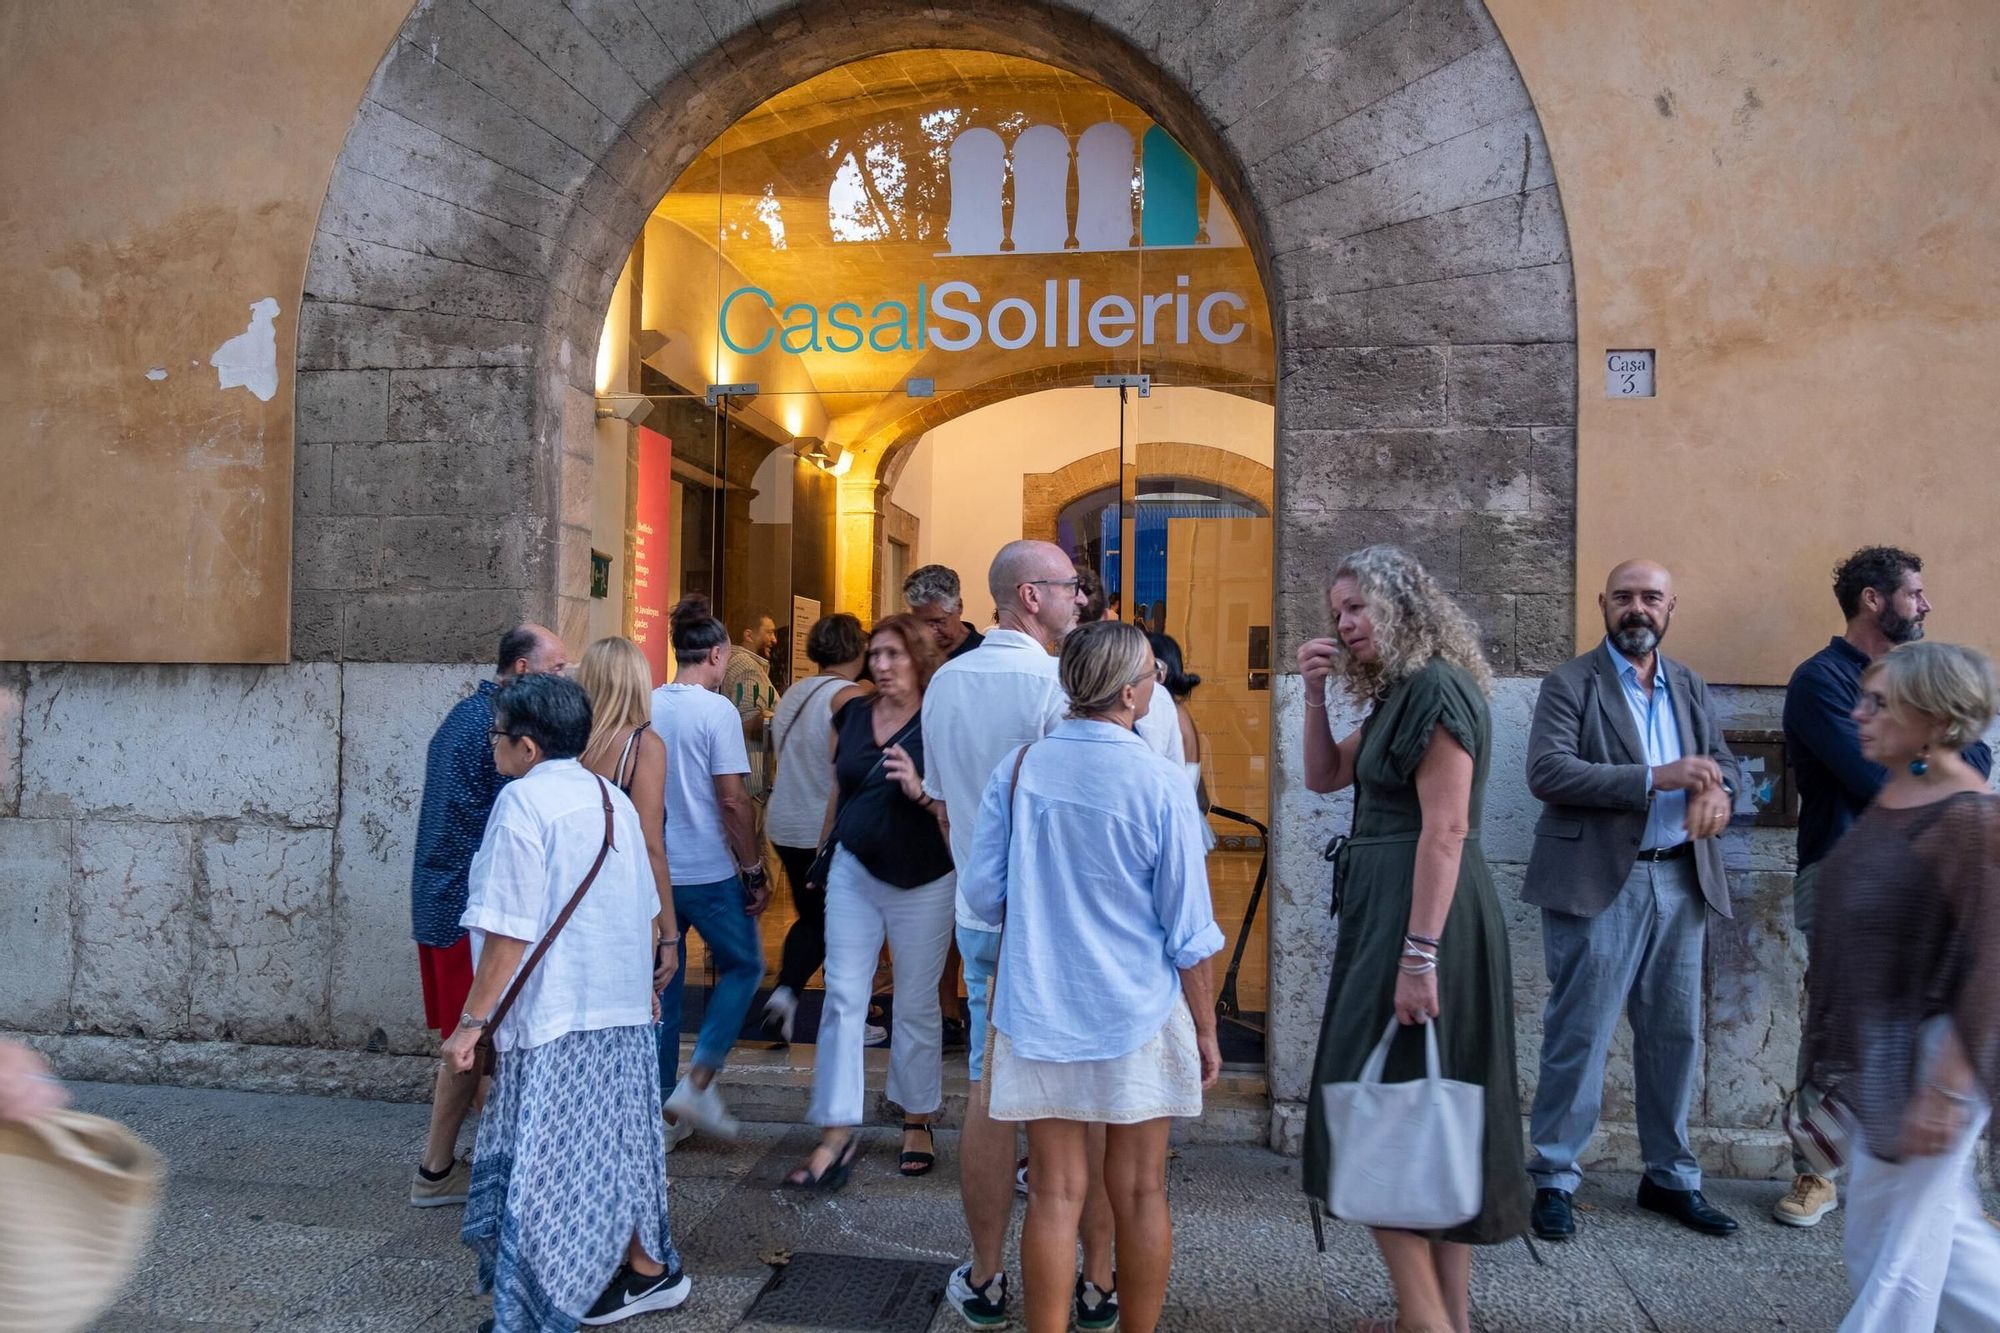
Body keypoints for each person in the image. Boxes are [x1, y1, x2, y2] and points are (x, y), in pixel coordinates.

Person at [961, 620, 1224, 1333]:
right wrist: (1206, 1027)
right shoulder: (1161, 782)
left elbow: (984, 897)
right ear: (1133, 691)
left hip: (1040, 1005)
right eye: (1151, 674)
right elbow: (1189, 930)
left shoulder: (1018, 769)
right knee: (1140, 1189)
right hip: (1137, 1006)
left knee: (1054, 1190)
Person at [1299, 545, 1527, 1333]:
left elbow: (1449, 828)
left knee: (1381, 1112)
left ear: (1401, 606)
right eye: (1338, 612)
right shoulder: (1401, 693)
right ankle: (1445, 1315)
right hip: (1394, 912)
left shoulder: (1435, 689)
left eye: (1356, 607)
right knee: (1426, 1110)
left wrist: (1418, 955)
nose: (1345, 622)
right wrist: (1315, 691)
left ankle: (1426, 1320)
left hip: (1421, 917)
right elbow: (1326, 777)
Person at [446, 673, 688, 1331]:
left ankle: (532, 1308)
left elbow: (508, 927)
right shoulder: (611, 800)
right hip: (619, 1012)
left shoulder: (522, 804)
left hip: (556, 1017)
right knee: (623, 1146)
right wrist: (644, 986)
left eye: (498, 735)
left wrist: (472, 1022)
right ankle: (647, 1264)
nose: (493, 746)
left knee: (544, 1165)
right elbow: (640, 906)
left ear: (526, 746)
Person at [1521, 560, 1742, 1243]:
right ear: (1603, 605)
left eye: (1651, 597)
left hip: (1682, 879)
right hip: (1597, 882)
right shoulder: (1571, 682)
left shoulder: (1689, 685)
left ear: (1672, 605)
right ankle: (1554, 1176)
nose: (1637, 608)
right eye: (1624, 597)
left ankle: (1670, 1175)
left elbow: (1725, 763)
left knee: (1675, 1033)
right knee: (1579, 1032)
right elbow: (1548, 770)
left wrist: (1720, 791)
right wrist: (1656, 777)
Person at [1776, 545, 1993, 1226]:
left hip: (1931, 886)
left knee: (1927, 1025)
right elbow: (1876, 779)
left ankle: (1936, 1174)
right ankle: (1816, 1171)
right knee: (1840, 1017)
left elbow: (1979, 760)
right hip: (1845, 878)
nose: (1925, 604)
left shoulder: (1920, 678)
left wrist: (1934, 764)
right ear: (1875, 599)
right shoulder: (1822, 681)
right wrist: (1939, 761)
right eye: (1915, 593)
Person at [921, 539, 1100, 1329]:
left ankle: (988, 1272)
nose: (1080, 602)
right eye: (1068, 589)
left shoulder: (945, 683)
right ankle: (1091, 1277)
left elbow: (943, 800)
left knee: (991, 1093)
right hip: (1050, 922)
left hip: (980, 909)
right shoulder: (1054, 683)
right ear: (1029, 595)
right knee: (1079, 1100)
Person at [1800, 641, 2000, 1331]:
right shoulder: (1901, 788)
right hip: (1891, 1041)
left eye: (1880, 703)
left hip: (1943, 1048)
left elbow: (1993, 959)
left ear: (1935, 715)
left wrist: (1946, 1089)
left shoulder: (1970, 817)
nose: (1859, 714)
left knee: (1898, 1247)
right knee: (1942, 1236)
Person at [785, 615, 957, 1190]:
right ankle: (837, 1128)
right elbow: (841, 786)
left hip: (925, 875)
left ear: (919, 659)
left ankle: (917, 1117)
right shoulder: (851, 714)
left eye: (893, 655)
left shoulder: (942, 720)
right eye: (875, 655)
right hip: (855, 868)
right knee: (842, 996)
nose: (881, 666)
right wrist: (822, 853)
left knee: (914, 1002)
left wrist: (923, 791)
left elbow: (963, 806)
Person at [407, 623, 568, 1208]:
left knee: (481, 1045)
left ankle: (479, 1159)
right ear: (522, 671)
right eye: (556, 670)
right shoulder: (495, 731)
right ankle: (435, 1170)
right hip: (463, 910)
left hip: (448, 901)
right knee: (469, 1046)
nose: (564, 680)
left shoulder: (469, 716)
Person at [650, 596, 770, 1145]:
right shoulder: (716, 710)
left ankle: (661, 1111)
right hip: (710, 871)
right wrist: (752, 866)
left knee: (664, 990)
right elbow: (732, 800)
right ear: (718, 654)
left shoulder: (649, 704)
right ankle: (697, 1083)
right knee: (744, 966)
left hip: (658, 875)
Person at [760, 613, 877, 1045]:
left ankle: (786, 998)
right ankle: (847, 1016)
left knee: (814, 920)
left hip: (786, 822)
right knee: (847, 925)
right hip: (824, 828)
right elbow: (854, 769)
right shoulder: (849, 698)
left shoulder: (796, 691)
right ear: (858, 649)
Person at [574, 636, 680, 1015]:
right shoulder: (643, 746)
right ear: (637, 681)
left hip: (571, 897)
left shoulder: (568, 742)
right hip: (621, 902)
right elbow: (650, 846)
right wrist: (669, 934)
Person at [906, 563, 986, 662]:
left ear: (959, 607)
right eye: (921, 623)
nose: (930, 632)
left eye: (938, 622)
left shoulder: (984, 655)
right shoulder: (910, 655)